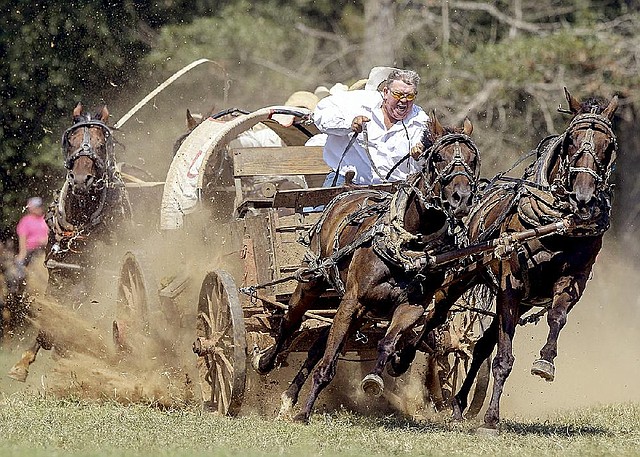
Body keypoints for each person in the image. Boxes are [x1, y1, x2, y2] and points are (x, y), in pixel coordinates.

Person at [312, 67, 429, 186]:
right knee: (320, 205)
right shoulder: (358, 101)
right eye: (398, 94)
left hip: (395, 189)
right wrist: (348, 125)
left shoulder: (420, 121)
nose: (403, 100)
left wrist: (420, 156)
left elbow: (427, 161)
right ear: (385, 92)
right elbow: (321, 115)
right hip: (345, 181)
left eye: (409, 96)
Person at [12, 197, 48, 289]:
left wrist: (45, 240)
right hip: (31, 250)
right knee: (19, 271)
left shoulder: (46, 219)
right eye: (37, 207)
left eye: (40, 207)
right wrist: (22, 253)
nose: (39, 209)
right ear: (31, 208)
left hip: (45, 249)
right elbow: (22, 238)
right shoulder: (26, 221)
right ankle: (19, 290)